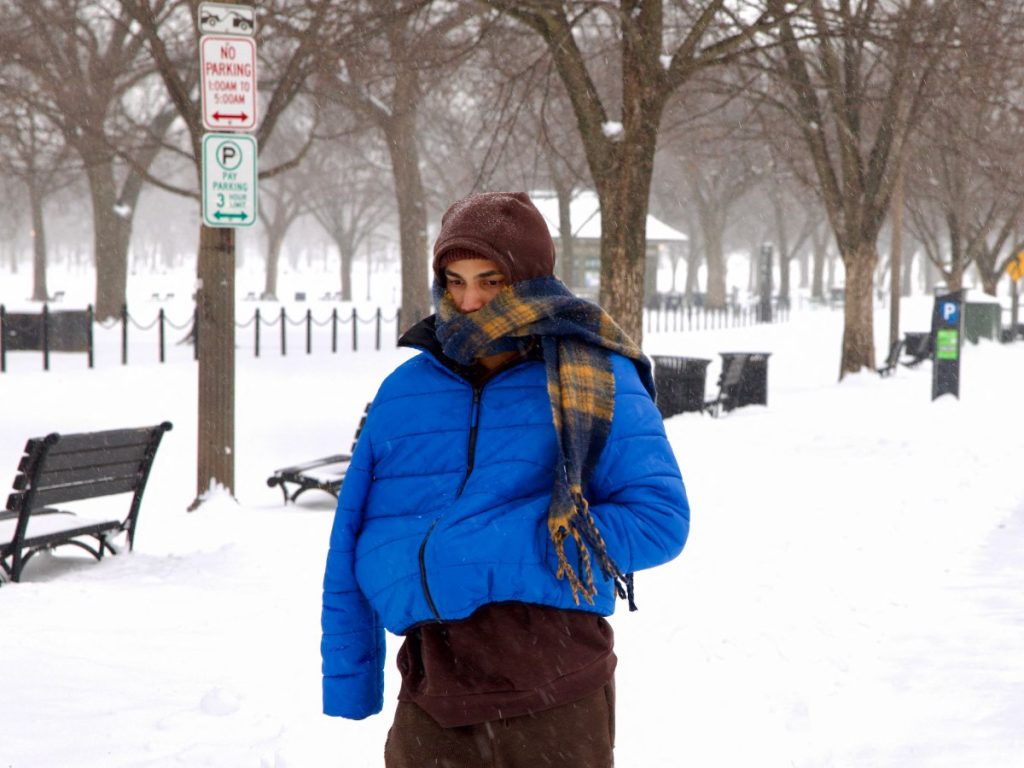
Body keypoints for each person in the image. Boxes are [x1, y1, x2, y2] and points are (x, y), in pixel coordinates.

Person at [321, 191, 690, 767]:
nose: (469, 300)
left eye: (491, 280)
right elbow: (351, 537)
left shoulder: (594, 373)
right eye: (455, 279)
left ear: (530, 279)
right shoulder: (406, 390)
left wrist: (512, 546)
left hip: (555, 681)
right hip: (433, 685)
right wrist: (351, 677)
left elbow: (659, 519)